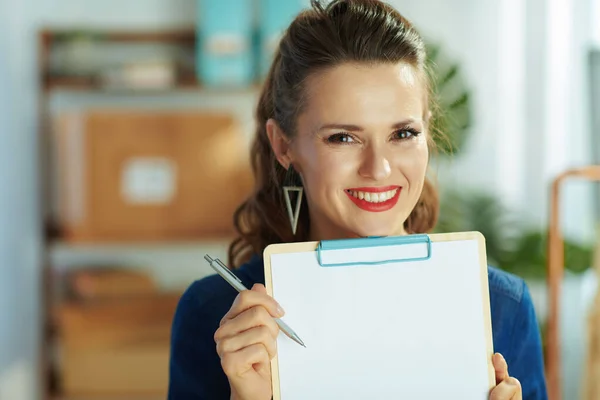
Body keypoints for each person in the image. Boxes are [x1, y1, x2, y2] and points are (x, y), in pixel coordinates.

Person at [168, 1, 548, 399]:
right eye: (343, 138)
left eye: (403, 134)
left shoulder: (502, 307)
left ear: (427, 131)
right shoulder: (215, 316)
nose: (379, 168)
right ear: (283, 145)